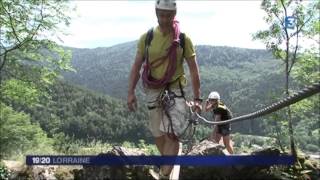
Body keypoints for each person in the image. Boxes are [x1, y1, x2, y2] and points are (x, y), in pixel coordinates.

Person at [127, 0, 202, 178]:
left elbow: (193, 70)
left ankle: (163, 173)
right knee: (158, 134)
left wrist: (197, 98)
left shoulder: (183, 39)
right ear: (156, 13)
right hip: (153, 88)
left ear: (174, 15)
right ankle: (168, 164)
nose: (165, 19)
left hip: (175, 87)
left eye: (168, 15)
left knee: (172, 134)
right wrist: (130, 92)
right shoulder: (147, 37)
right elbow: (137, 66)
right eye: (161, 14)